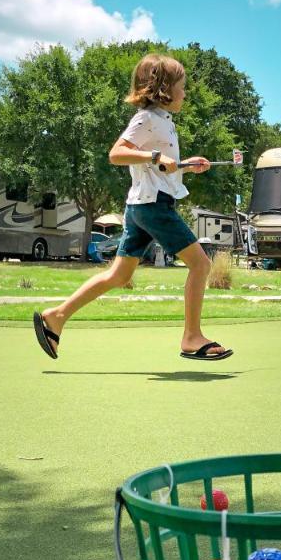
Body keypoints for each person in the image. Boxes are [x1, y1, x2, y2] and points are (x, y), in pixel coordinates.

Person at [33, 54, 233, 361]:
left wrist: (184, 165)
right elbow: (117, 153)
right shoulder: (148, 118)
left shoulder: (163, 121)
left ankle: (56, 316)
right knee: (201, 264)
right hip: (154, 207)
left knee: (119, 276)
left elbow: (159, 167)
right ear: (165, 88)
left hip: (141, 206)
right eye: (182, 86)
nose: (185, 92)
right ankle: (192, 337)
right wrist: (154, 157)